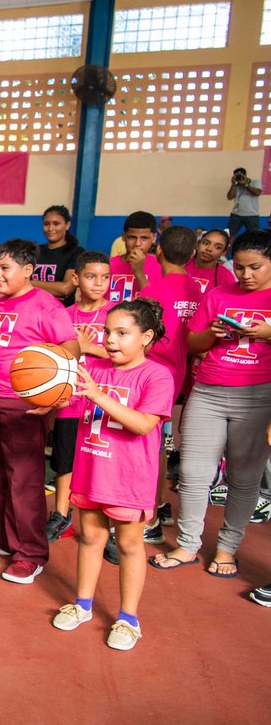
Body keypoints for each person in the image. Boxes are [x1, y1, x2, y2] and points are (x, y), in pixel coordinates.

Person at [48, 299, 173, 652]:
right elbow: (69, 400)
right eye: (107, 332)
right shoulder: (97, 369)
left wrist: (97, 394)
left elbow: (143, 424)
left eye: (122, 333)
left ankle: (128, 619)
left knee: (130, 545)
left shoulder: (157, 375)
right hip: (91, 471)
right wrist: (45, 399)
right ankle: (83, 604)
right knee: (89, 537)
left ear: (146, 336)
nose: (111, 340)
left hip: (129, 478)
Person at [151, 231, 271, 578]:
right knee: (192, 473)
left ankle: (227, 548)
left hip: (258, 396)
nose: (247, 275)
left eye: (256, 268)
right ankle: (188, 545)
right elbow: (193, 341)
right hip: (209, 390)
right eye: (241, 267)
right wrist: (214, 334)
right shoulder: (219, 294)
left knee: (244, 478)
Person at [0, 240, 78, 585]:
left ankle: (30, 554)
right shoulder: (2, 303)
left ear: (28, 271)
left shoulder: (47, 305)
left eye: (4, 269)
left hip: (22, 405)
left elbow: (70, 347)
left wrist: (56, 397)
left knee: (24, 481)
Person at [137, 226, 202, 539]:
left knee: (145, 445)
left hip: (149, 377)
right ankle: (159, 504)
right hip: (178, 375)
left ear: (158, 251)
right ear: (192, 256)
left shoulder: (153, 291)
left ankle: (147, 518)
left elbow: (140, 340)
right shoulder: (197, 291)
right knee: (160, 444)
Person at [46, 251, 112, 542]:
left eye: (105, 277)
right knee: (64, 460)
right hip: (70, 400)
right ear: (75, 279)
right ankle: (61, 514)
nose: (99, 283)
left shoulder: (116, 313)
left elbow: (129, 354)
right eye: (90, 276)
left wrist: (88, 347)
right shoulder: (63, 314)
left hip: (103, 402)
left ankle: (105, 528)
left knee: (102, 463)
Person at [33, 205, 83, 306]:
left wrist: (29, 284)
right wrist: (55, 289)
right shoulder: (34, 251)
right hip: (32, 313)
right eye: (46, 224)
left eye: (56, 224)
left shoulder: (76, 252)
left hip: (60, 314)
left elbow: (66, 289)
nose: (50, 228)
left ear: (67, 225)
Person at [109, 212, 161, 302]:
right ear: (123, 236)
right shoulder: (108, 265)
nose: (137, 244)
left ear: (154, 238)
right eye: (132, 237)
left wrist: (139, 272)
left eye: (144, 238)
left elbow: (154, 304)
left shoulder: (159, 267)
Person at [185, 229, 236, 295]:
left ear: (223, 253)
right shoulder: (181, 266)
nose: (209, 249)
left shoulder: (226, 277)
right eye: (206, 243)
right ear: (197, 244)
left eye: (218, 247)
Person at [226, 167, 262, 235]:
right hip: (236, 214)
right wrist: (233, 184)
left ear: (245, 175)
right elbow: (229, 197)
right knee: (230, 234)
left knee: (253, 235)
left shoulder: (255, 182)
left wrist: (246, 184)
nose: (239, 177)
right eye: (237, 176)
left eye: (240, 175)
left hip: (252, 215)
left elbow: (257, 193)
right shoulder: (236, 185)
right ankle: (229, 246)